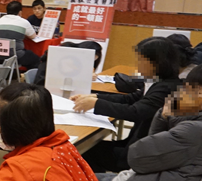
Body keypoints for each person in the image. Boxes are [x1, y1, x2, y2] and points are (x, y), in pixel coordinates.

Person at [98, 65, 202, 181]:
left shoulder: (193, 130)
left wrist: (164, 116)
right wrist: (168, 118)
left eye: (187, 88)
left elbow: (137, 157)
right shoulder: (192, 126)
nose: (181, 93)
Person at [73, 37, 184, 172]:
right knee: (89, 147)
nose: (137, 64)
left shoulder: (166, 89)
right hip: (134, 144)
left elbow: (135, 112)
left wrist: (96, 104)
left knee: (83, 150)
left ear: (156, 63)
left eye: (141, 60)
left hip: (140, 154)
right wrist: (95, 97)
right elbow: (130, 99)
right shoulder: (159, 82)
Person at [0, 0, 40, 70]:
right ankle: (26, 75)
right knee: (35, 59)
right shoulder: (23, 22)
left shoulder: (0, 20)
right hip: (14, 56)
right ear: (20, 12)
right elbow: (33, 36)